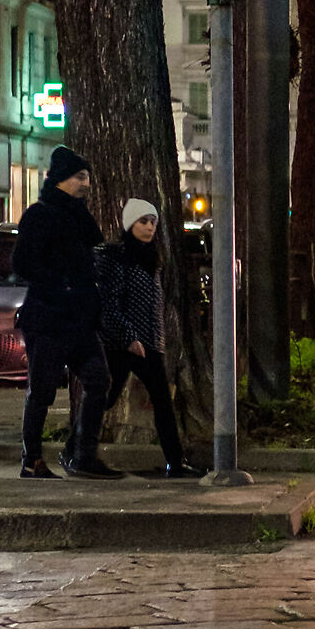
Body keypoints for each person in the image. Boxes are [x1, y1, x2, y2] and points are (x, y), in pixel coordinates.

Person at [11, 145, 112, 480]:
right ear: (63, 179)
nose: (86, 183)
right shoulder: (40, 215)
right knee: (42, 390)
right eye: (80, 177)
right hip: (50, 317)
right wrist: (61, 285)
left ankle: (81, 453)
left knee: (99, 379)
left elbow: (95, 248)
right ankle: (32, 459)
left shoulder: (79, 215)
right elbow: (23, 263)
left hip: (81, 320)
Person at [94, 199, 200, 478]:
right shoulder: (118, 258)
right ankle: (77, 450)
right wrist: (129, 337)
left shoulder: (152, 257)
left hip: (149, 343)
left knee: (163, 402)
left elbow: (153, 305)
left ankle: (175, 462)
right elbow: (110, 303)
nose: (150, 227)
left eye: (153, 221)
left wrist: (156, 339)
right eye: (143, 221)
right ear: (130, 224)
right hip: (121, 343)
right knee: (104, 397)